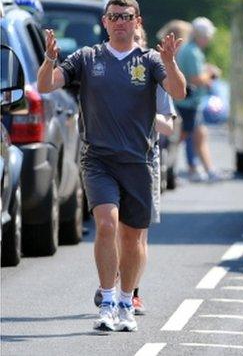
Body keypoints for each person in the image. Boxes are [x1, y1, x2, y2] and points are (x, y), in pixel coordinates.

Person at [36, 0, 186, 332]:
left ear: (137, 22)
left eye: (126, 16)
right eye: (114, 16)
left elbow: (178, 93)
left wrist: (172, 62)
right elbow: (46, 85)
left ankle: (125, 301)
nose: (120, 21)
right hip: (98, 159)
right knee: (106, 224)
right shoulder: (87, 58)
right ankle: (106, 300)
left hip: (138, 162)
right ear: (105, 22)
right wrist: (48, 59)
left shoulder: (150, 61)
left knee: (132, 238)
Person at [93, 26, 177, 315]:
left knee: (138, 235)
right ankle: (111, 284)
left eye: (139, 40)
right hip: (108, 157)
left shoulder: (154, 71)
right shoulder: (104, 70)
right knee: (111, 225)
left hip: (145, 160)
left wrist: (142, 113)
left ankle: (132, 292)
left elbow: (169, 124)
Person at [176, 17, 221, 183]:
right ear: (201, 36)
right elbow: (196, 78)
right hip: (188, 102)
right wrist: (211, 74)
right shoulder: (192, 51)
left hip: (190, 101)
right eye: (207, 36)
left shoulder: (191, 49)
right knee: (181, 135)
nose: (209, 40)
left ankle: (203, 169)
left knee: (198, 135)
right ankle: (171, 167)